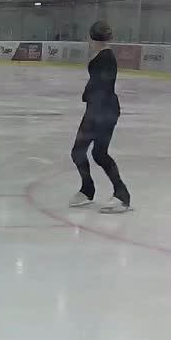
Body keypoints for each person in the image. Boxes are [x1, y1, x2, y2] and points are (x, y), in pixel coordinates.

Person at [69, 20, 132, 213]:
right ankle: (89, 190)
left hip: (101, 112)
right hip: (100, 110)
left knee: (90, 153)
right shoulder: (104, 55)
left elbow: (103, 86)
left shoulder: (105, 57)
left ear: (91, 37)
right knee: (90, 153)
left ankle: (120, 195)